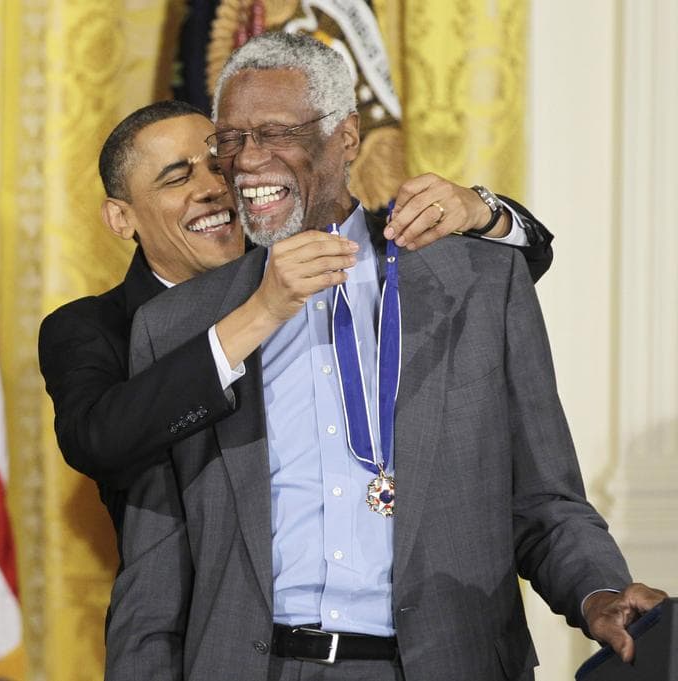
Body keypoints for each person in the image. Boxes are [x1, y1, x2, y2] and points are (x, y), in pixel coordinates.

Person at [107, 32, 666, 681]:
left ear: (345, 139)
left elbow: (545, 501)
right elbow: (153, 575)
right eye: (229, 138)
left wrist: (598, 591)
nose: (246, 161)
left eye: (274, 132)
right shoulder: (185, 326)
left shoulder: (476, 285)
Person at [38, 101, 553, 551]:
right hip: (202, 637)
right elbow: (98, 441)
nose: (214, 188)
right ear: (120, 218)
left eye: (220, 166)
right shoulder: (93, 328)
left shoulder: (300, 256)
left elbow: (501, 274)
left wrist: (482, 211)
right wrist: (261, 313)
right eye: (177, 177)